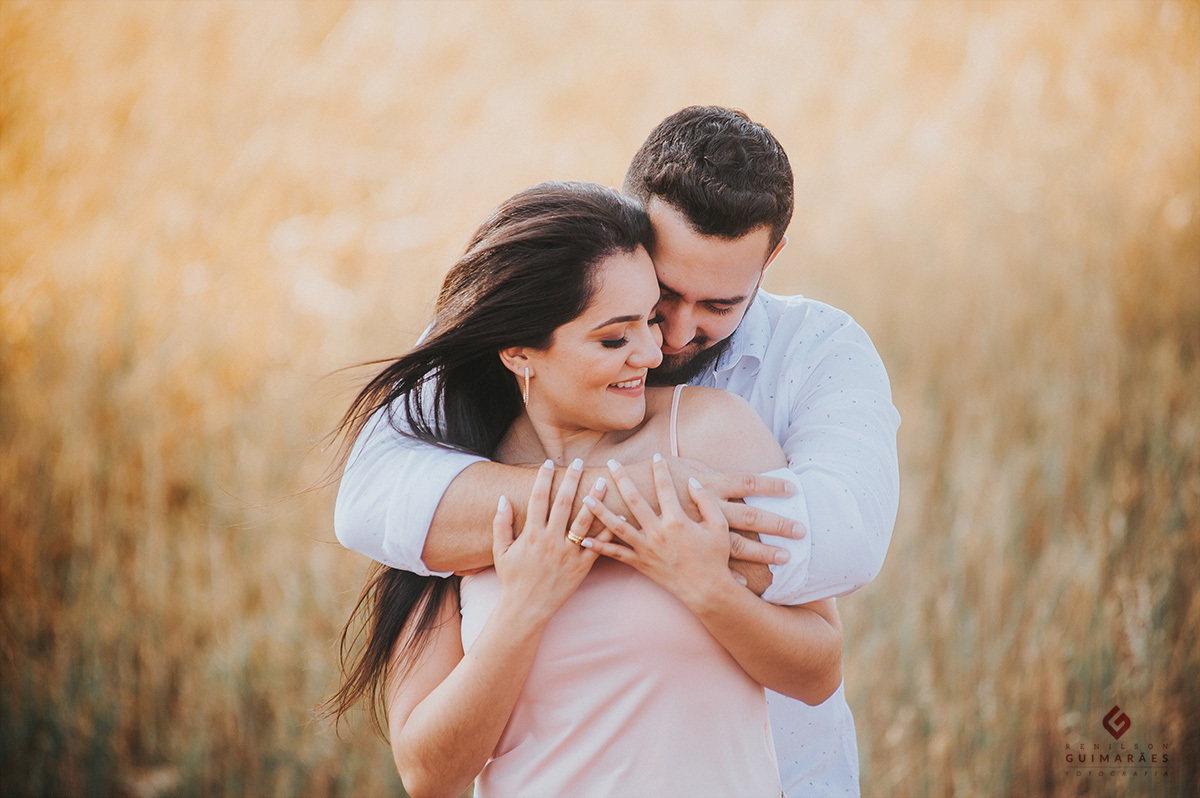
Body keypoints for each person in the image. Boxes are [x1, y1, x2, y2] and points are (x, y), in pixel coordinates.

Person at [336, 106, 901, 796]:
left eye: (721, 306)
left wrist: (690, 564)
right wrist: (634, 500)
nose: (671, 338)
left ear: (769, 262)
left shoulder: (801, 366)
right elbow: (372, 501)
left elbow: (845, 538)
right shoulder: (469, 426)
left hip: (790, 778)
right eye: (661, 297)